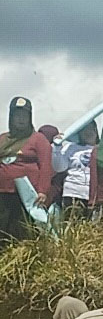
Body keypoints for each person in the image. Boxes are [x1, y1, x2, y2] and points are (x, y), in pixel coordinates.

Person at [0, 97, 51, 242]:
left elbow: (46, 166)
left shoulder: (38, 139)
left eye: (25, 116)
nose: (21, 119)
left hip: (26, 196)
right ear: (11, 117)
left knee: (22, 232)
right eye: (17, 115)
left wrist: (43, 191)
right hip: (3, 193)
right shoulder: (3, 139)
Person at [52, 121, 99, 218]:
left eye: (91, 129)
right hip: (73, 193)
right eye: (85, 129)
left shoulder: (102, 149)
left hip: (94, 195)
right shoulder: (71, 147)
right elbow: (59, 168)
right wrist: (57, 147)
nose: (88, 132)